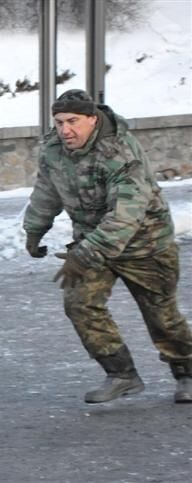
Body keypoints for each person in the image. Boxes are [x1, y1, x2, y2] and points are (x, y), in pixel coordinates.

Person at [23, 89, 192, 404]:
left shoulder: (120, 152)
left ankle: (186, 372)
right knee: (79, 305)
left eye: (73, 121)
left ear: (92, 118)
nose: (65, 130)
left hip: (145, 244)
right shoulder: (54, 149)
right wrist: (34, 229)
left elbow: (124, 218)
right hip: (92, 240)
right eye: (59, 122)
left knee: (162, 317)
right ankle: (121, 374)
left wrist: (83, 255)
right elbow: (47, 189)